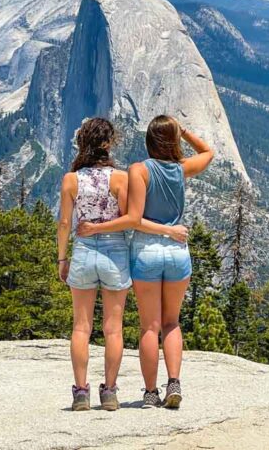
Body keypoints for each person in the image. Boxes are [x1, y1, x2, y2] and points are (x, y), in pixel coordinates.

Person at [78, 115, 213, 409]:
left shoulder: (139, 170)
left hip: (145, 253)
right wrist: (184, 131)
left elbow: (135, 220)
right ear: (173, 140)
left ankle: (151, 393)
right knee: (172, 323)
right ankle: (174, 382)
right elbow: (208, 153)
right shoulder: (180, 169)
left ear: (149, 141)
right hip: (178, 252)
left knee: (150, 327)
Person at [57, 117, 187, 412]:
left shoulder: (71, 180)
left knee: (81, 327)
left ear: (82, 143)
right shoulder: (120, 178)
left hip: (83, 253)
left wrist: (62, 258)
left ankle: (80, 393)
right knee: (113, 330)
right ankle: (110, 393)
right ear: (108, 144)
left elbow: (65, 223)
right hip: (116, 254)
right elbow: (133, 218)